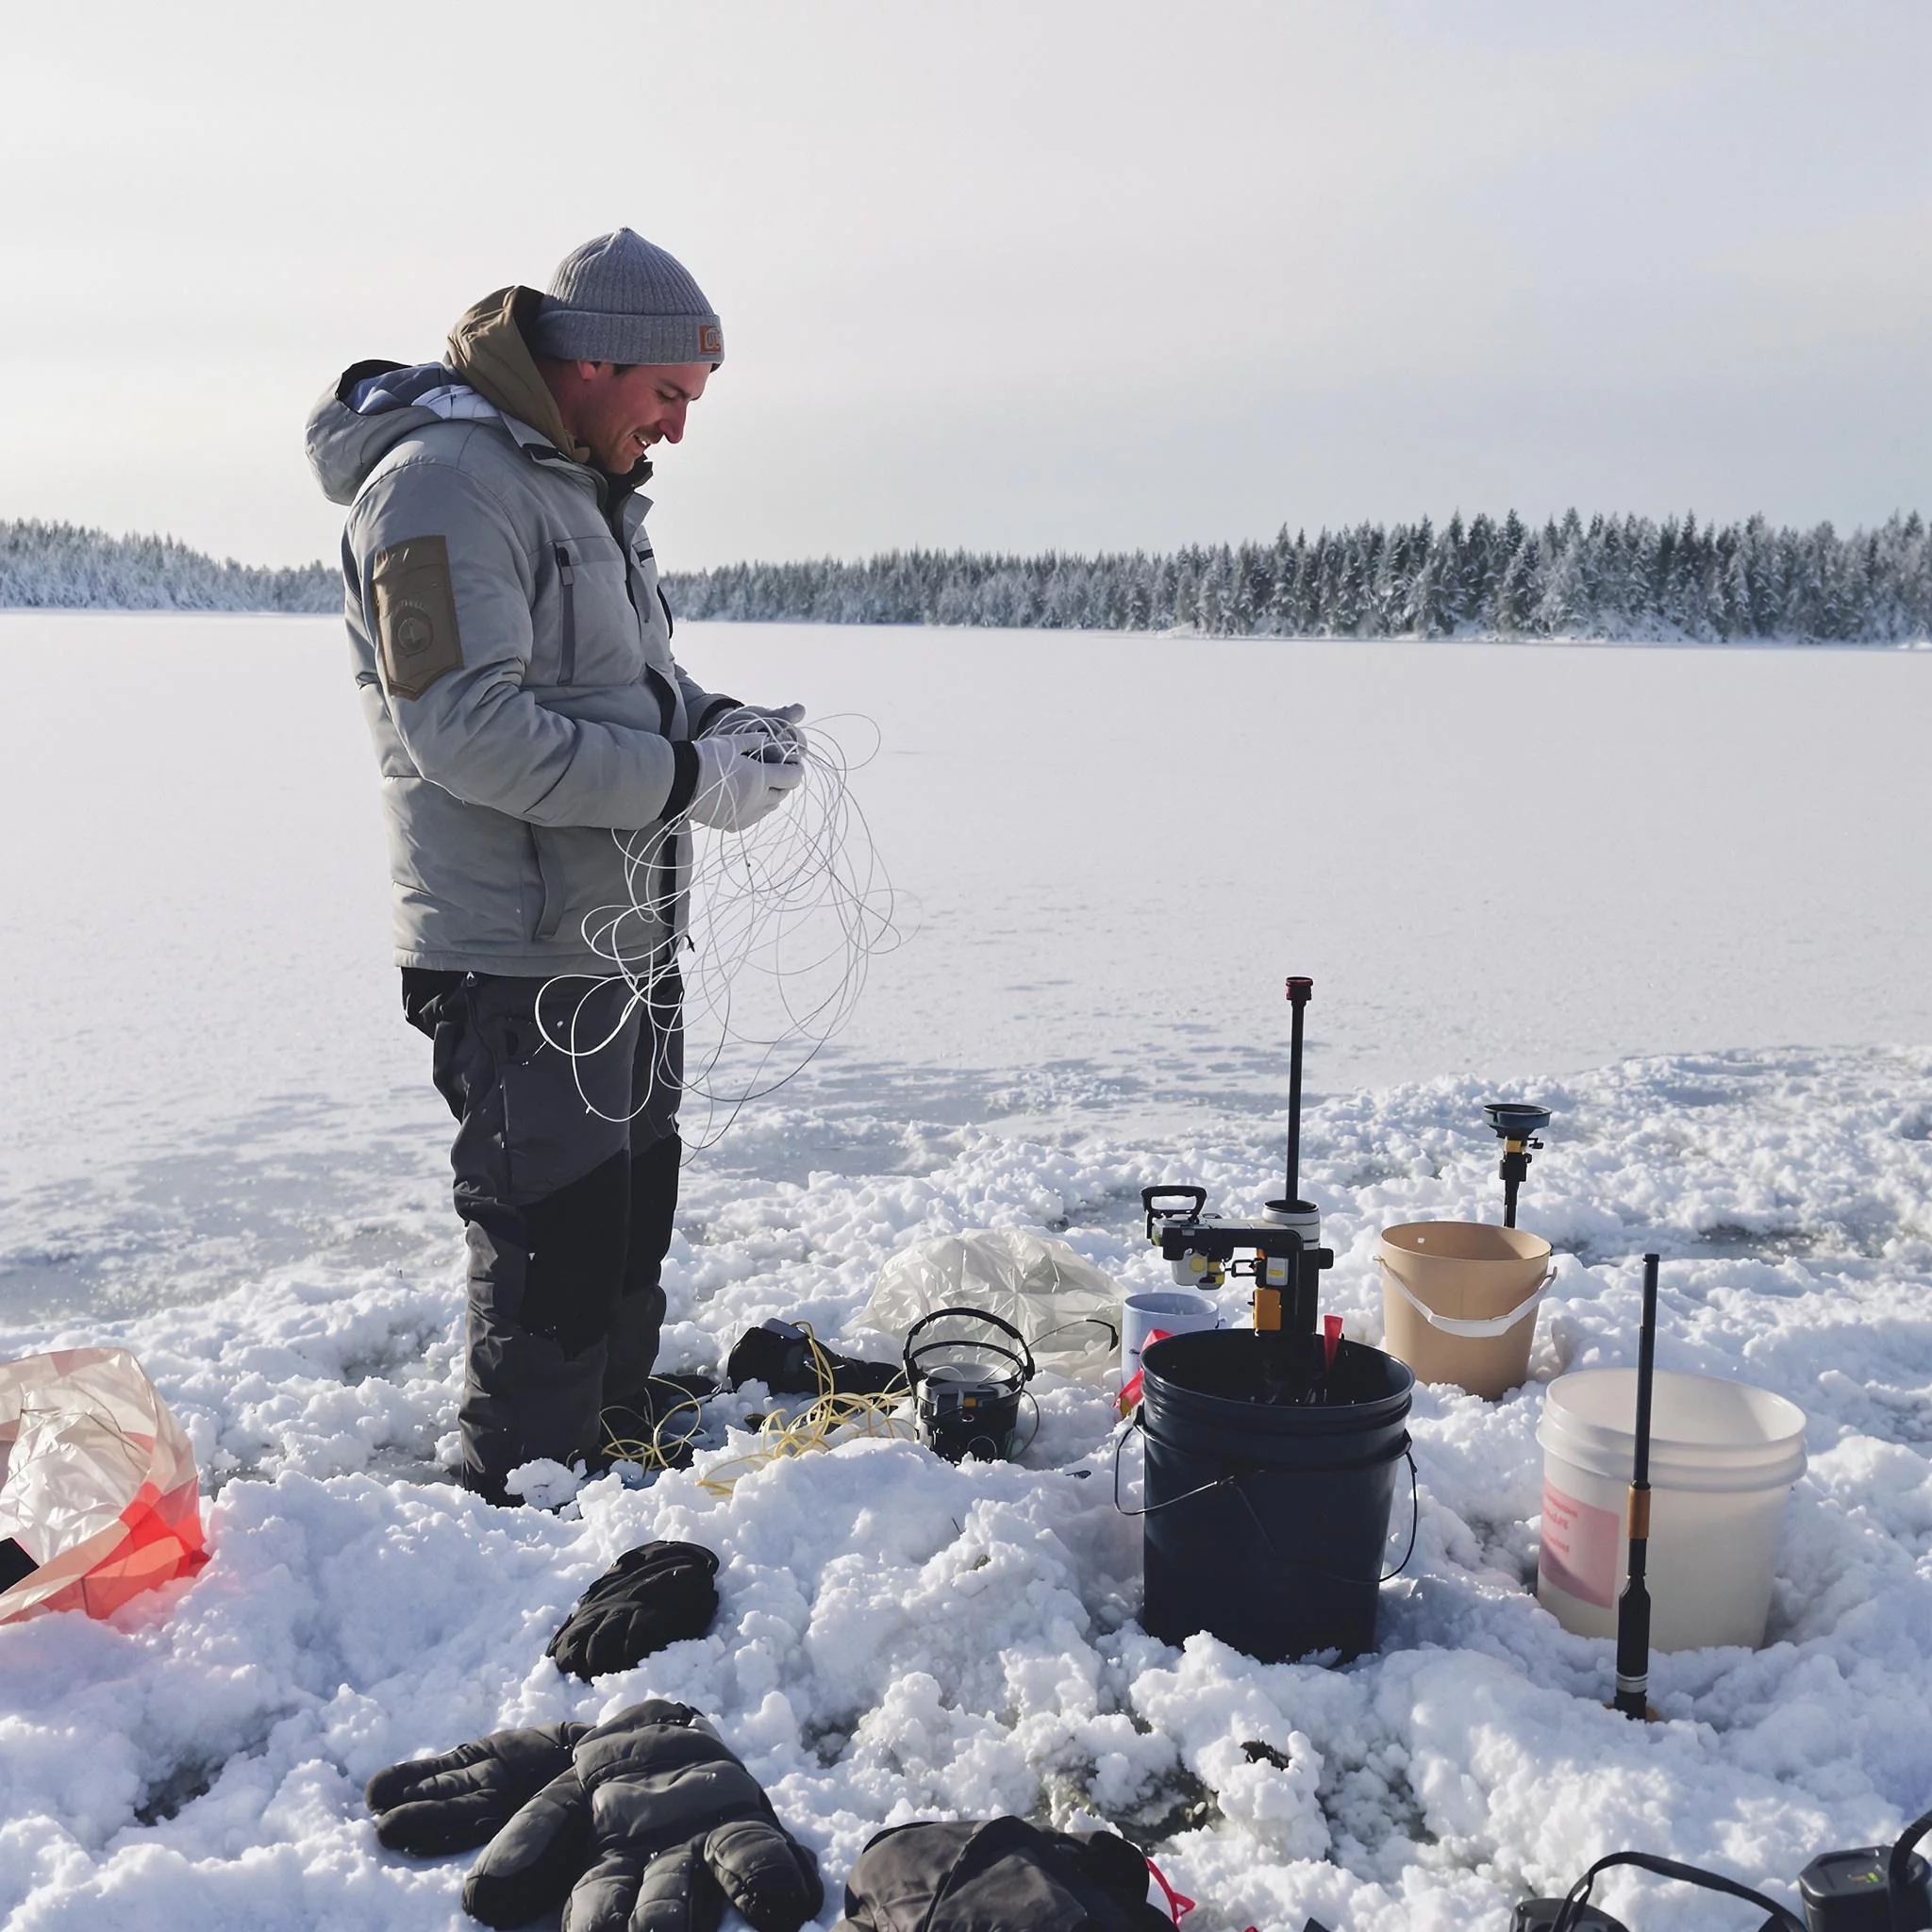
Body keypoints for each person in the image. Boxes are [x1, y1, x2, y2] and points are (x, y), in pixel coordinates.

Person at [305, 229, 804, 1505]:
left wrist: (717, 724)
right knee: (553, 1238)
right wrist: (692, 783)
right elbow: (466, 731)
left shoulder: (579, 482)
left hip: (625, 933)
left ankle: (615, 1437)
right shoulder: (441, 486)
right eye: (669, 397)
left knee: (632, 1204)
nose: (680, 431)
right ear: (590, 365)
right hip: (521, 953)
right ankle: (527, 1502)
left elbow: (630, 690)